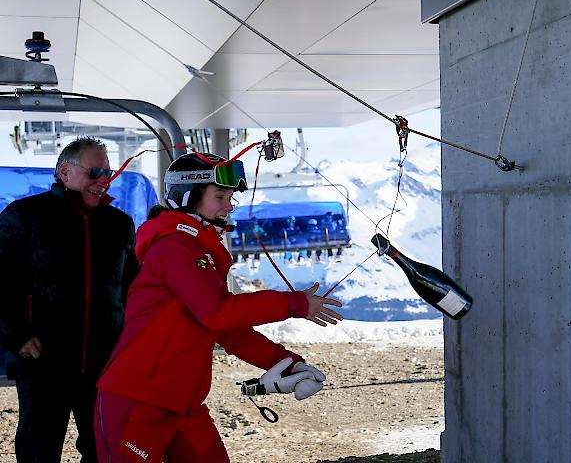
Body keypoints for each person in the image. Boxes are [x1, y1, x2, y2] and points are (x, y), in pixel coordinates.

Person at [94, 153, 343, 463]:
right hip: (138, 402)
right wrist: (295, 303)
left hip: (182, 403)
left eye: (230, 197)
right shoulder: (173, 246)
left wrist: (288, 363)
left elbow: (230, 331)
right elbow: (218, 311)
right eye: (220, 196)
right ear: (187, 197)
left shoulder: (200, 250)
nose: (229, 205)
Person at [0, 137, 139, 462]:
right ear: (64, 171)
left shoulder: (119, 225)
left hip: (105, 363)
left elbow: (133, 289)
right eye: (94, 172)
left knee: (104, 448)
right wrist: (17, 335)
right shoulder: (26, 216)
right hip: (44, 361)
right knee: (39, 449)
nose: (102, 181)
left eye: (108, 173)